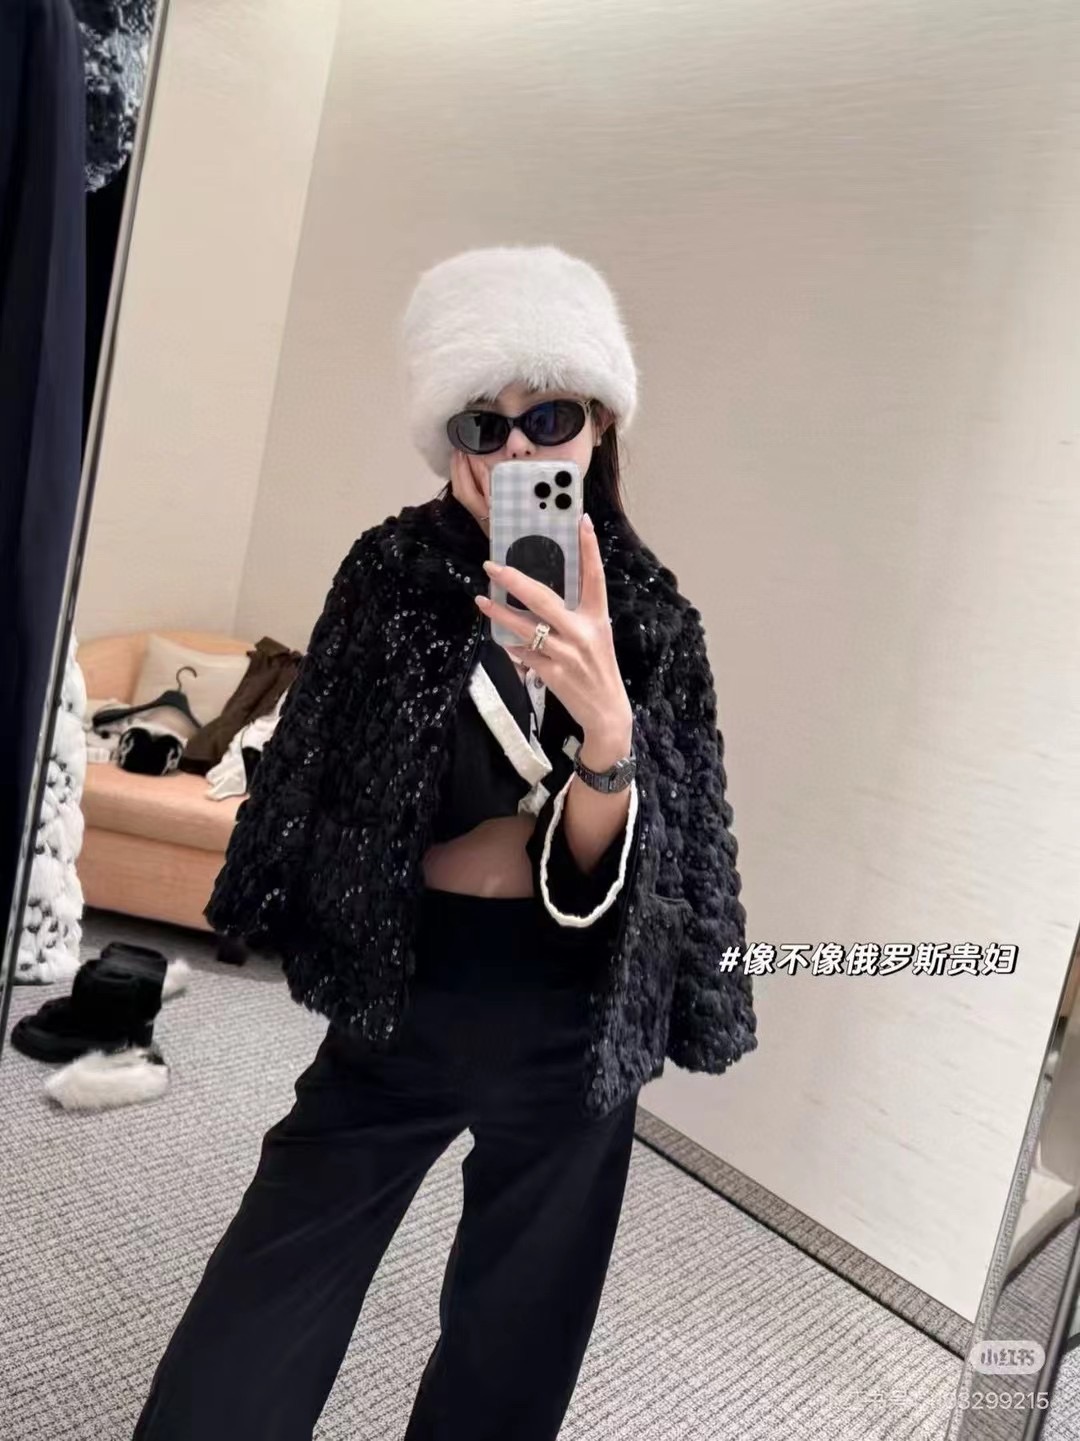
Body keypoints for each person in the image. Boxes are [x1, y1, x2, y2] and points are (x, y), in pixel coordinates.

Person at [131, 244, 757, 1440]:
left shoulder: (654, 619)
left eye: (549, 417)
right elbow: (332, 779)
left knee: (514, 1347)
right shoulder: (388, 574)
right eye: (483, 423)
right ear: (449, 442)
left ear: (600, 426)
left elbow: (642, 875)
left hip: (573, 1024)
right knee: (262, 1307)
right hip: (405, 998)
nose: (517, 452)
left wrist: (606, 731)